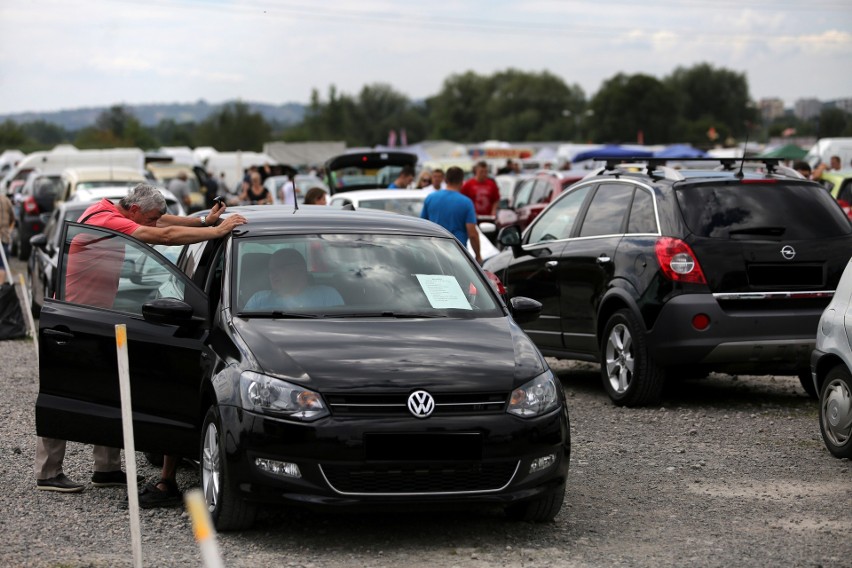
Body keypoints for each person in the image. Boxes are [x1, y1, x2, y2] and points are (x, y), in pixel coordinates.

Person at [35, 184, 247, 506]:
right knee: (67, 389)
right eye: (149, 216)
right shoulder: (109, 220)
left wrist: (204, 222)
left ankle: (106, 470)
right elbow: (161, 236)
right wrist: (218, 231)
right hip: (77, 320)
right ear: (134, 211)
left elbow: (162, 222)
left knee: (108, 393)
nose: (154, 221)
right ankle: (48, 472)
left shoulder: (117, 212)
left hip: (98, 318)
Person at [244, 248, 344, 310]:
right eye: (270, 270)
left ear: (300, 269)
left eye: (280, 268)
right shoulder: (258, 300)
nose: (272, 274)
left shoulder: (327, 295)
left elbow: (340, 328)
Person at [420, 166, 481, 264]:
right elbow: (473, 234)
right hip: (457, 253)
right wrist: (478, 256)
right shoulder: (466, 203)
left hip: (434, 251)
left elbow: (422, 226)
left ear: (445, 180)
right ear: (462, 181)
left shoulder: (430, 198)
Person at [0, 190, 13, 283]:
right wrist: (9, 231)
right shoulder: (6, 200)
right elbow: (13, 220)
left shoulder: (5, 200)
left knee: (2, 266)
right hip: (4, 237)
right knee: (2, 266)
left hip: (4, 238)